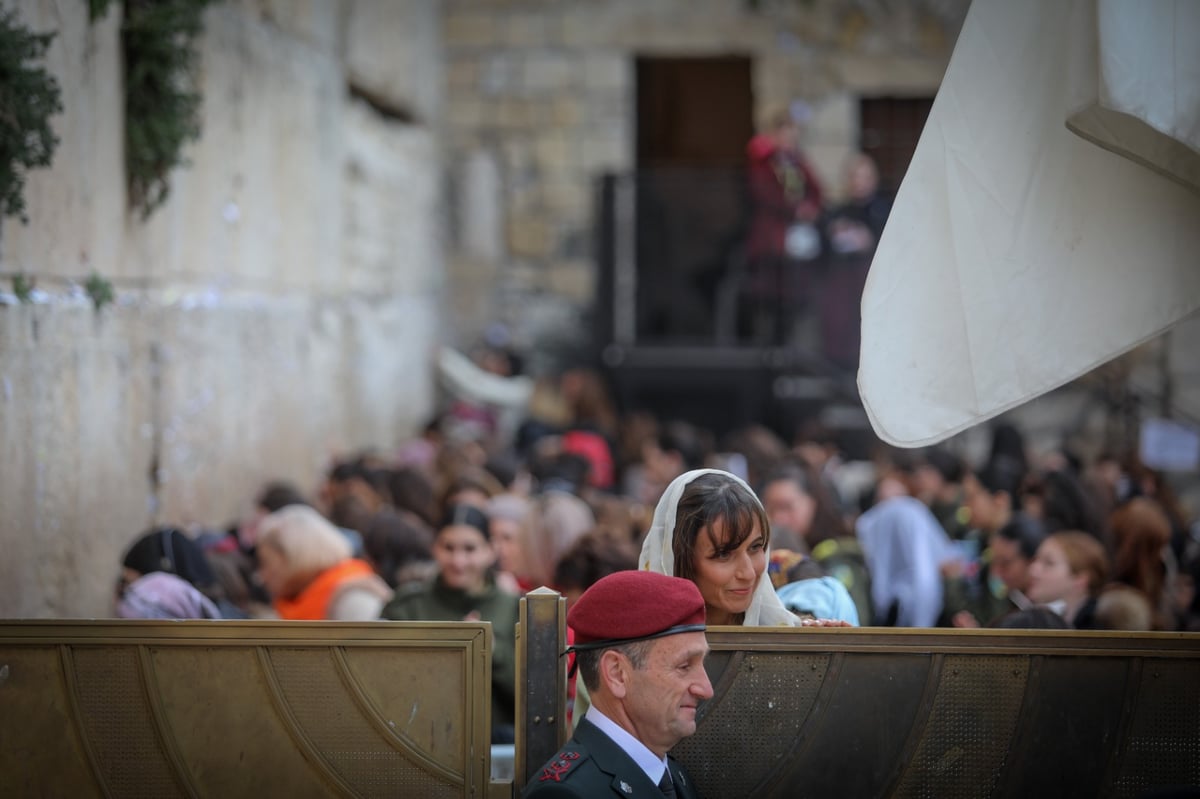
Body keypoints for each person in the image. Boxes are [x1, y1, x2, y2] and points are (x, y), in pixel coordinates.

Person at [523, 570, 710, 798]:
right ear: (617, 674)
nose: (705, 689)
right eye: (684, 666)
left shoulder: (672, 775)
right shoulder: (565, 794)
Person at [380, 503, 519, 744]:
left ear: (489, 551)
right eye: (448, 547)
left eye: (470, 549)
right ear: (435, 548)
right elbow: (383, 681)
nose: (458, 560)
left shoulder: (513, 609)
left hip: (495, 746)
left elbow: (532, 695)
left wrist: (493, 652)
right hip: (419, 741)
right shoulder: (407, 605)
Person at [255, 505, 393, 621]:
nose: (261, 576)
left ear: (294, 556)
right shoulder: (294, 603)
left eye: (265, 562)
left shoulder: (353, 600)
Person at [1027, 531, 1110, 628]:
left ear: (1080, 579)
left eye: (1048, 563)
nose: (1033, 570)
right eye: (1036, 559)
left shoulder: (1099, 628)